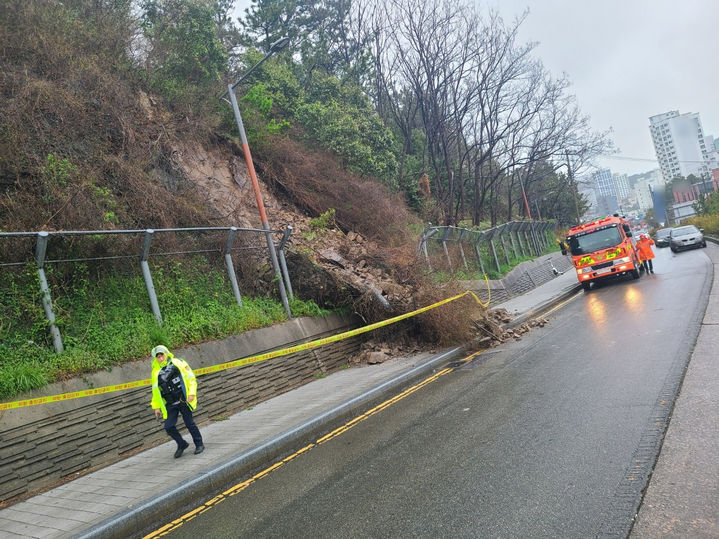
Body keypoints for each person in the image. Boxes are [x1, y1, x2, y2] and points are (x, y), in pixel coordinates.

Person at [150, 345, 204, 457]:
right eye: (158, 357)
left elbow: (191, 378)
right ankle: (182, 444)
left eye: (162, 355)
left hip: (182, 399)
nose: (160, 358)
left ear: (166, 354)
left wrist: (192, 393)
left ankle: (199, 444)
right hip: (170, 402)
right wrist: (156, 406)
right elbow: (155, 390)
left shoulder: (178, 362)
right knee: (168, 427)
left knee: (190, 423)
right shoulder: (155, 372)